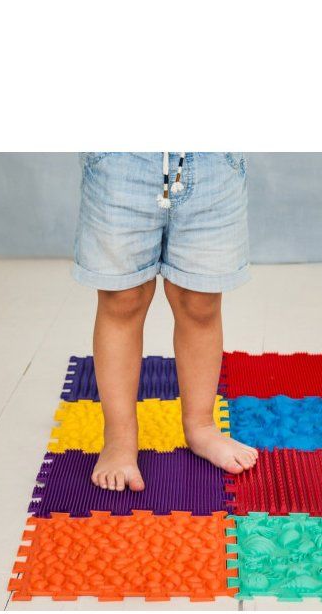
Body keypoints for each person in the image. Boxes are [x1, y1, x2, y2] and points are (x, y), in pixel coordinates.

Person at [72, 152, 259, 491]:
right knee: (122, 298)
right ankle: (119, 437)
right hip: (121, 160)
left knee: (200, 300)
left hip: (214, 163)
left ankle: (201, 426)